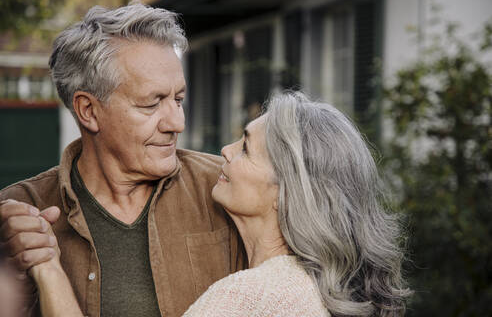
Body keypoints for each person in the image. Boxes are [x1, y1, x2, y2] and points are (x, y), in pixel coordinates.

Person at [29, 91, 411, 317]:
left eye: (245, 148)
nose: (225, 152)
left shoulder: (250, 298)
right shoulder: (314, 289)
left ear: (287, 192)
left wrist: (48, 266)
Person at [0, 2, 246, 317]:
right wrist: (17, 273)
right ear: (88, 110)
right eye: (151, 104)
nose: (177, 123)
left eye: (178, 99)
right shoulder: (20, 214)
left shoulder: (225, 186)